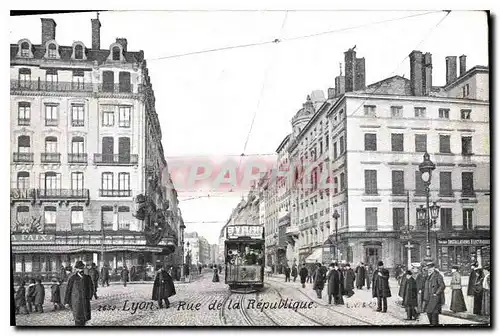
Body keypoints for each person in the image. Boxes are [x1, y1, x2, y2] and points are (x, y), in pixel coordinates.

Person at [64, 260, 93, 326]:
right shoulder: (72, 278)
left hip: (85, 301)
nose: (81, 270)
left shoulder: (87, 277)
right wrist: (66, 302)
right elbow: (68, 290)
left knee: (84, 317)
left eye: (81, 268)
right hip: (76, 301)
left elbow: (91, 288)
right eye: (79, 268)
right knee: (77, 318)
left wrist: (89, 297)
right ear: (76, 269)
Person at [422, 262, 446, 326]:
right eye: (428, 268)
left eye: (430, 268)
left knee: (434, 315)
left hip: (435, 299)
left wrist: (436, 293)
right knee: (429, 313)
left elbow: (442, 286)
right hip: (428, 298)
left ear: (433, 268)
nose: (429, 270)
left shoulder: (438, 275)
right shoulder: (427, 276)